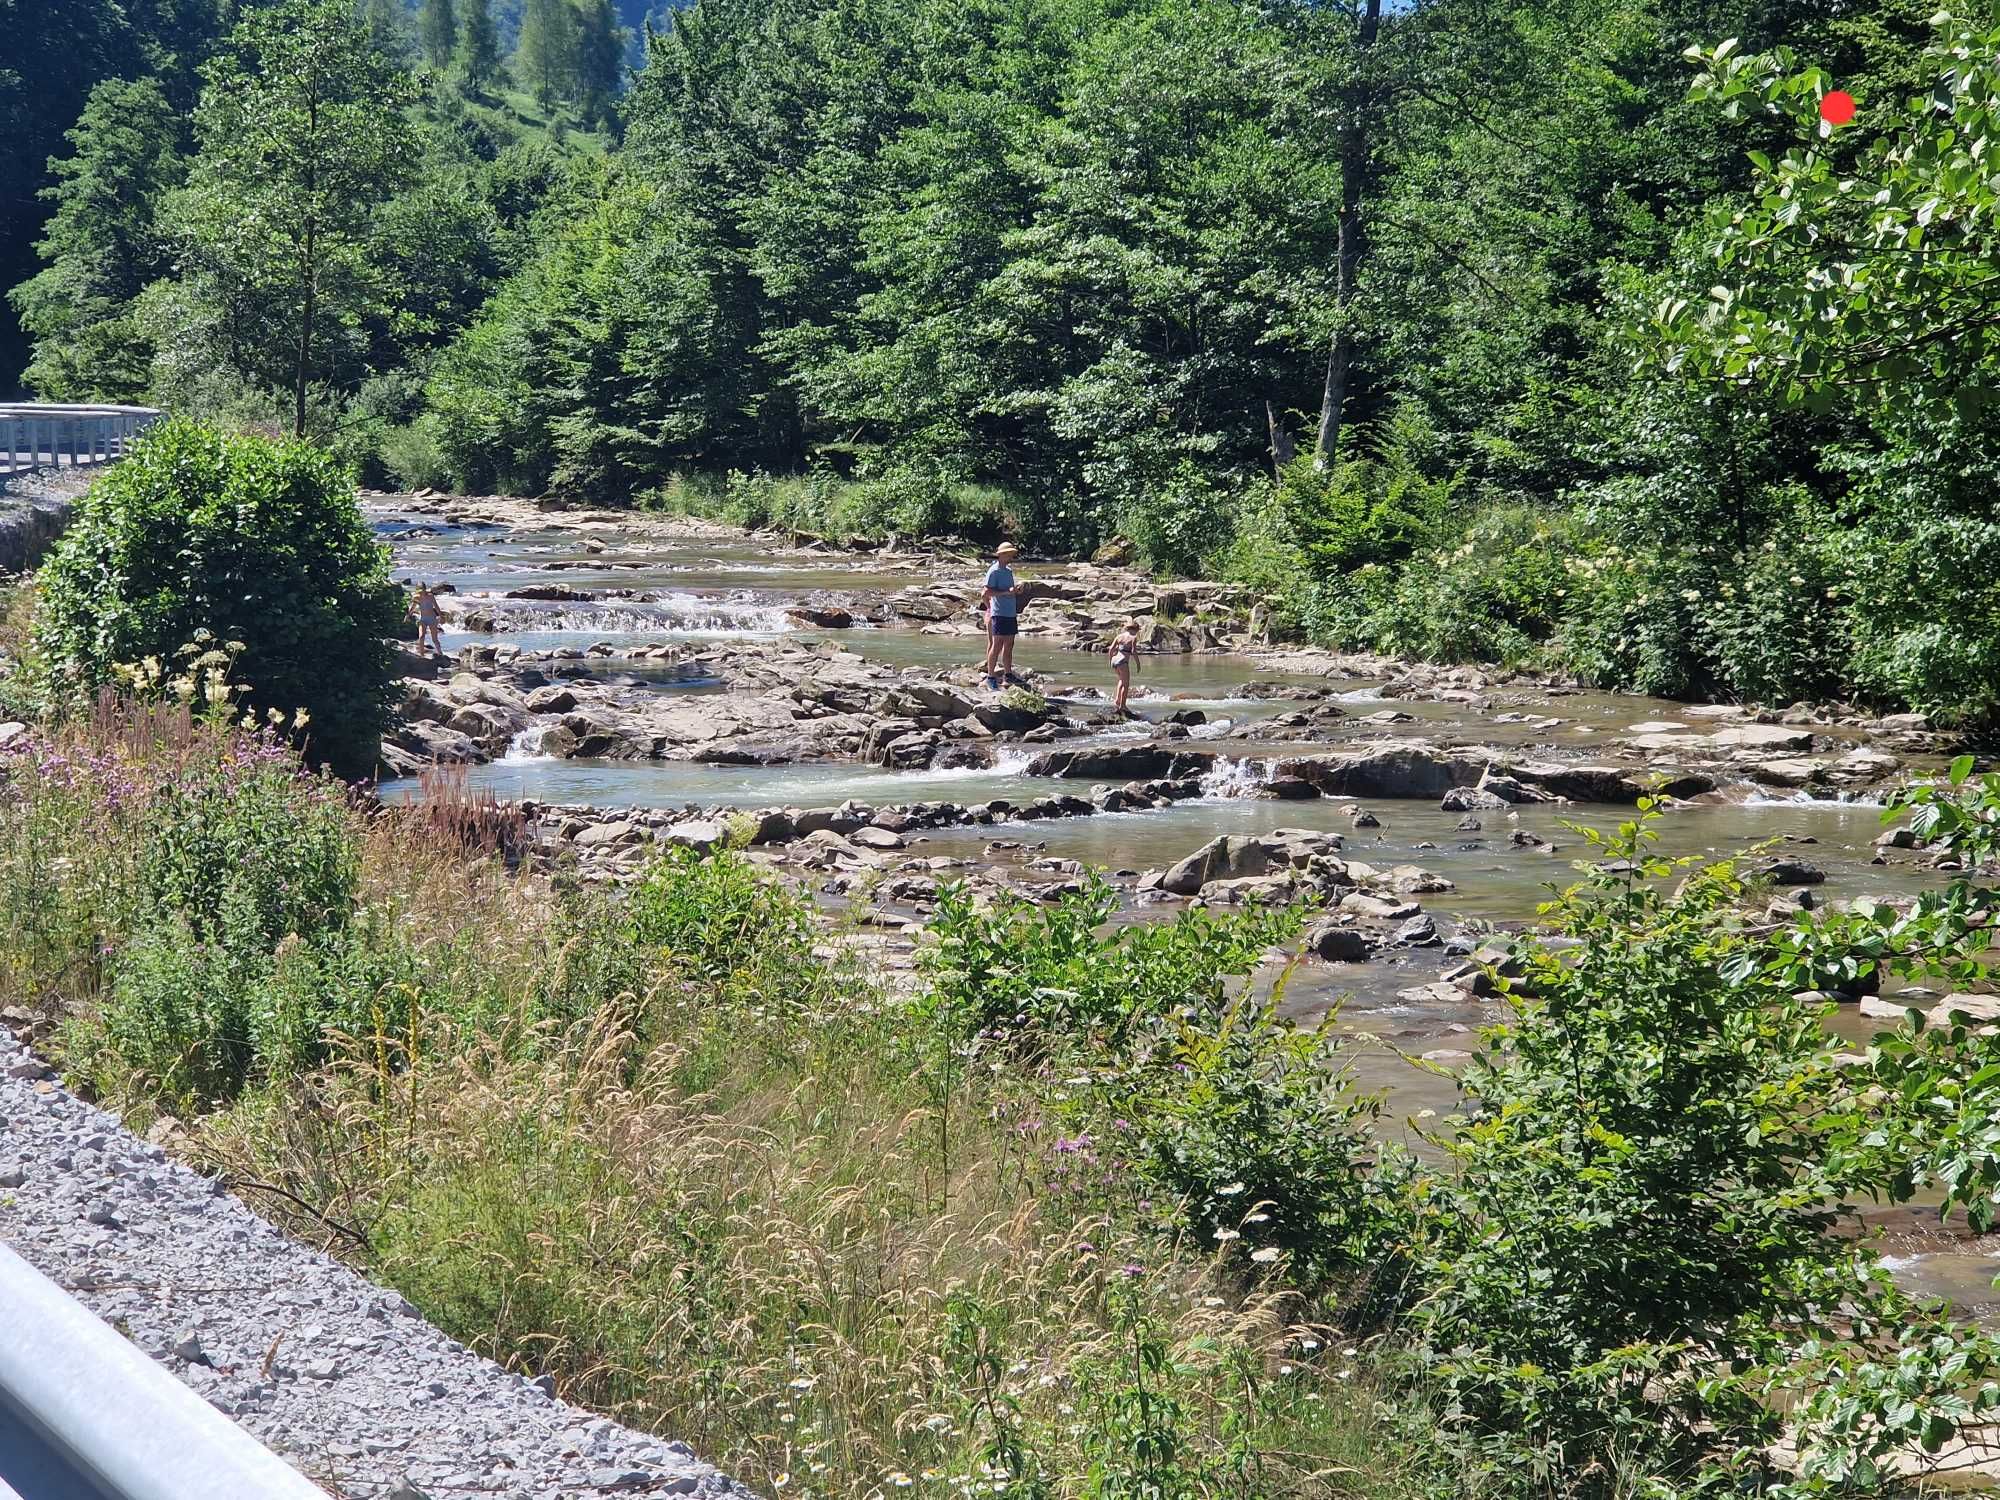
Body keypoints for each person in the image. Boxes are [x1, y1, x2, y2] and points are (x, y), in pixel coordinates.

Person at [981, 542, 1021, 688]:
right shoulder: (994, 571)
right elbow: (986, 592)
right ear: (1001, 554)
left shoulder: (1008, 570)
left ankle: (1008, 675)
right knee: (997, 645)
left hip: (1010, 612)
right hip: (999, 612)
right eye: (1009, 554)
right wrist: (1005, 593)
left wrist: (1014, 591)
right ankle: (990, 677)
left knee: (1009, 644)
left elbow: (1007, 590)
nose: (1011, 556)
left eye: (1012, 554)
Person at [1108, 616, 1142, 714]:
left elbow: (1111, 649)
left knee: (1121, 681)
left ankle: (1117, 701)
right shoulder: (1133, 638)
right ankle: (1123, 705)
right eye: (1137, 630)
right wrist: (1138, 664)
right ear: (1135, 629)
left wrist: (1110, 660)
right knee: (1126, 685)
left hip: (1115, 660)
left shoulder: (1119, 636)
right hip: (1123, 662)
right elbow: (1133, 652)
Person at [408, 582, 445, 656]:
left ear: (425, 589)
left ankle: (440, 654)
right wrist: (408, 615)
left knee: (435, 639)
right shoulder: (416, 597)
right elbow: (413, 607)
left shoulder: (430, 596)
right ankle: (422, 655)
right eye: (419, 591)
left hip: (432, 619)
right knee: (421, 636)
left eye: (422, 591)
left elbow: (436, 606)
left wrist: (441, 616)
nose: (421, 593)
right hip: (423, 619)